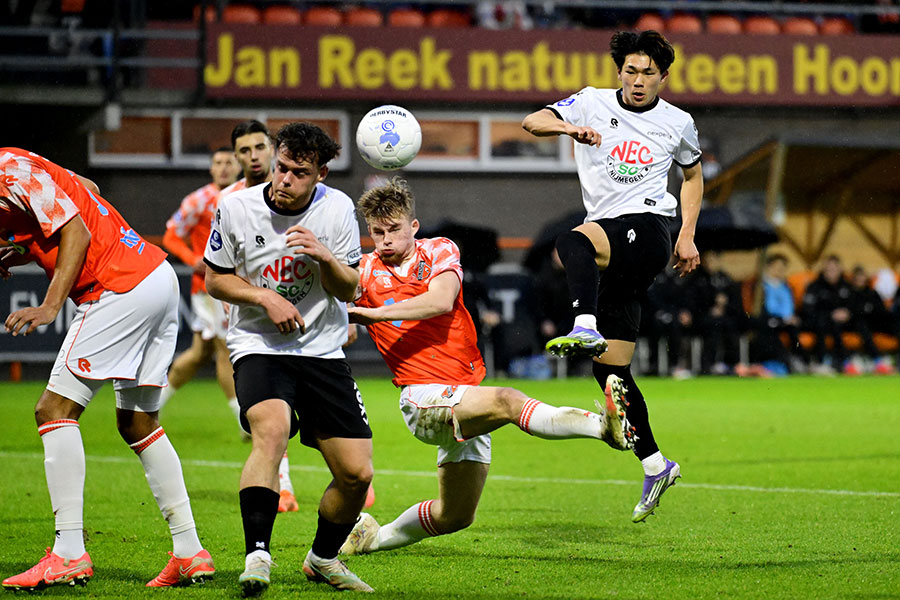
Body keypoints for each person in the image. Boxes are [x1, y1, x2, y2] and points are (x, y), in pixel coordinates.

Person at [339, 178, 633, 558]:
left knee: (455, 516)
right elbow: (337, 301)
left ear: (413, 226)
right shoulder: (363, 273)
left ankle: (371, 538)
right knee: (509, 400)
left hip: (464, 390)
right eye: (377, 232)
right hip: (422, 397)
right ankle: (602, 428)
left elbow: (442, 300)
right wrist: (344, 320)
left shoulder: (439, 250)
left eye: (394, 229)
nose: (386, 240)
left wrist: (374, 315)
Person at [0, 147, 214, 589]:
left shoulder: (8, 173)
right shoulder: (22, 164)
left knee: (53, 410)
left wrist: (50, 305)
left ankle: (68, 553)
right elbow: (88, 191)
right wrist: (23, 254)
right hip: (154, 274)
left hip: (118, 285)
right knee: (138, 423)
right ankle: (190, 551)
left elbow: (75, 230)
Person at [522, 30, 703, 522]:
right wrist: (568, 130)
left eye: (649, 72)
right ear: (618, 71)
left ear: (664, 77)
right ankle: (656, 464)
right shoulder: (590, 102)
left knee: (572, 241)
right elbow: (531, 121)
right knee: (611, 371)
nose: (638, 80)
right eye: (630, 70)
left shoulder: (677, 122)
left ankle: (583, 325)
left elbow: (692, 174)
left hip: (650, 229)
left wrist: (687, 234)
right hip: (619, 250)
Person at [203, 122, 374, 595]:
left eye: (298, 172)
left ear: (320, 173)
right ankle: (258, 553)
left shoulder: (338, 209)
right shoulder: (235, 207)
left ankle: (322, 559)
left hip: (322, 349)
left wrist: (325, 257)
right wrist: (264, 298)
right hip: (259, 346)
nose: (283, 179)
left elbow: (348, 287)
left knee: (357, 474)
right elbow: (215, 279)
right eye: (280, 167)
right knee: (271, 430)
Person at [160, 147, 242, 433]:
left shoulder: (244, 195)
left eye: (229, 162)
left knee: (198, 353)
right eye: (218, 162)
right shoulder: (199, 199)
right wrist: (191, 258)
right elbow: (171, 235)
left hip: (236, 285)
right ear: (210, 168)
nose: (223, 168)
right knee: (225, 349)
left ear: (239, 165)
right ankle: (243, 420)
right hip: (210, 288)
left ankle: (151, 405)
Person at [756, 253, 806, 373]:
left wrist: (791, 317)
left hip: (787, 320)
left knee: (795, 329)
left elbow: (790, 306)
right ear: (769, 267)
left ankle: (802, 361)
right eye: (777, 267)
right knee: (771, 331)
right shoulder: (761, 287)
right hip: (770, 320)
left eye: (782, 268)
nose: (780, 271)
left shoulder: (786, 286)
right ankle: (784, 361)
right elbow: (763, 309)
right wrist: (782, 319)